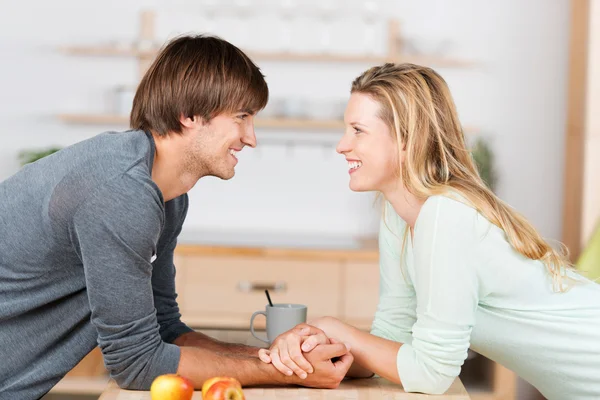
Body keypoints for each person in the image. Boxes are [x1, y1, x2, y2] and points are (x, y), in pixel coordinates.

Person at [0, 34, 353, 400]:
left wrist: (279, 358)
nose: (251, 138)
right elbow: (135, 363)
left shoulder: (166, 195)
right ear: (189, 116)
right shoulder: (122, 191)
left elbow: (164, 327)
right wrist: (284, 373)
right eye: (242, 117)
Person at [258, 63, 600, 400]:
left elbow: (432, 373)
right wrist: (322, 344)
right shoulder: (398, 215)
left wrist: (336, 328)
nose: (342, 145)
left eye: (358, 130)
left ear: (406, 139)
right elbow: (393, 335)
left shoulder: (446, 215)